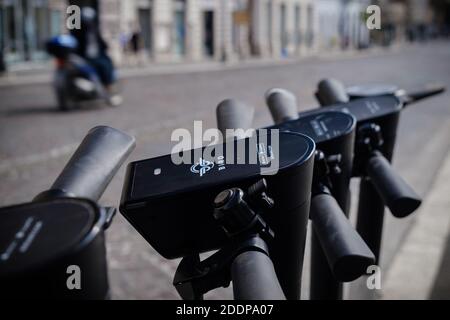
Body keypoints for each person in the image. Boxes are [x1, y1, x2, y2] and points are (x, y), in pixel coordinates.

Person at [72, 7, 121, 105]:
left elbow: (102, 44)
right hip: (85, 58)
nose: (88, 23)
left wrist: (107, 47)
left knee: (107, 65)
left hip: (97, 57)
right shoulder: (78, 32)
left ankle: (109, 91)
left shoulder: (94, 31)